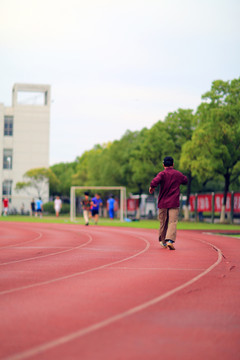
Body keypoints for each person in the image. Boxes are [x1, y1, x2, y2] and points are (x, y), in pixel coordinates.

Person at [149, 156, 188, 250]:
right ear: (173, 164)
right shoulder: (177, 174)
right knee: (172, 222)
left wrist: (152, 187)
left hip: (162, 203)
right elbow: (185, 180)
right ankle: (170, 240)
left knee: (163, 222)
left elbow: (154, 181)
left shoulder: (162, 174)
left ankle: (163, 241)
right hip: (174, 202)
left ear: (163, 165)